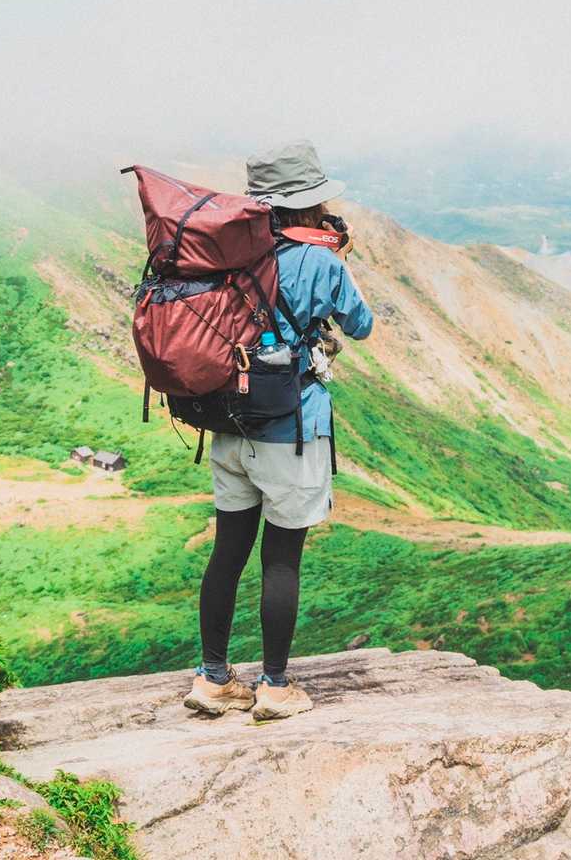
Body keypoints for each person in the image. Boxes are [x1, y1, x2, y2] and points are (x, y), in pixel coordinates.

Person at [183, 142, 375, 721]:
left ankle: (213, 678)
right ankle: (274, 686)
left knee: (227, 551)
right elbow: (361, 325)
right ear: (310, 203)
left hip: (228, 422)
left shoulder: (228, 252)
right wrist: (336, 260)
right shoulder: (319, 261)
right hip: (290, 428)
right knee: (282, 559)